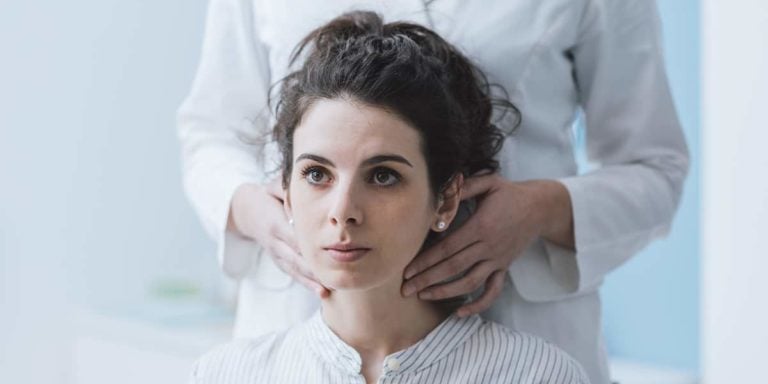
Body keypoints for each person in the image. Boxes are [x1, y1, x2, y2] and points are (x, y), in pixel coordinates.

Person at [176, 1, 689, 383]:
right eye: (314, 176)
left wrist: (539, 209)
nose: (344, 208)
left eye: (381, 176)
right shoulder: (230, 372)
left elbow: (653, 165)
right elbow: (213, 133)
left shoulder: (542, 372)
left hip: (517, 321)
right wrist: (260, 212)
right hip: (303, 315)